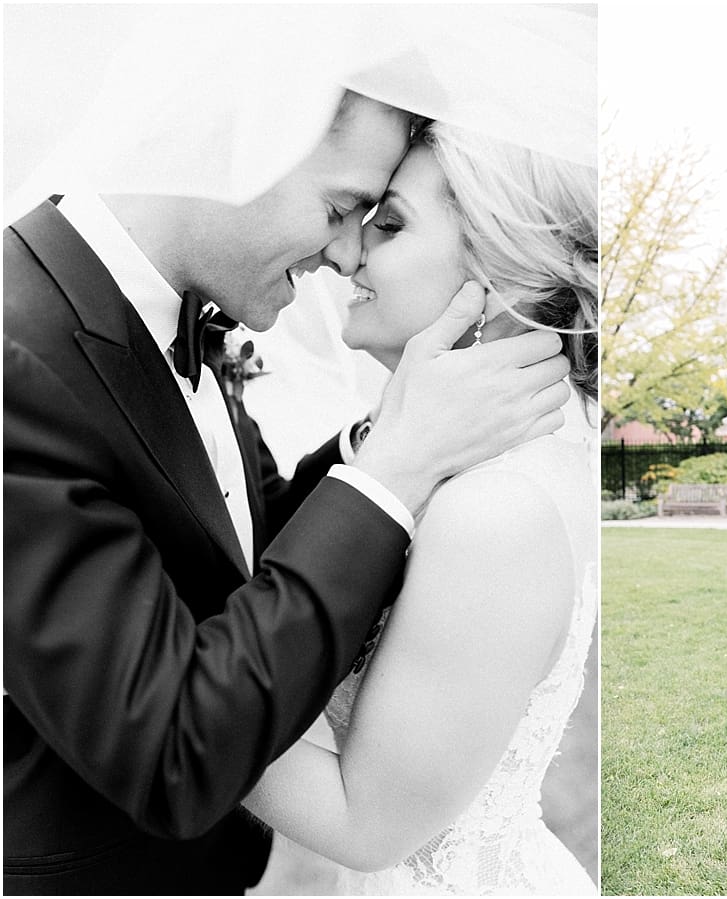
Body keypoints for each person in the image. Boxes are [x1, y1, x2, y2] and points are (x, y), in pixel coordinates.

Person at [2, 88, 571, 895]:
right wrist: (392, 472)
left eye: (380, 220)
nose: (346, 255)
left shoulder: (180, 311)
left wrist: (390, 438)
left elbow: (242, 538)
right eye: (342, 208)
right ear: (243, 145)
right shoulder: (14, 358)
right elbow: (167, 748)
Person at [242, 108, 597, 894]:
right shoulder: (474, 463)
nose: (347, 252)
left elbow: (365, 821)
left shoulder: (497, 510)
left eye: (389, 225)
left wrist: (150, 690)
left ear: (499, 275)